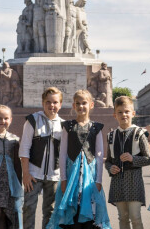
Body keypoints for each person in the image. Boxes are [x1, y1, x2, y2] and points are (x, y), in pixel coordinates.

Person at [46, 89, 111, 229]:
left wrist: (98, 181)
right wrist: (63, 179)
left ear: (91, 105)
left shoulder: (96, 127)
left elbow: (99, 156)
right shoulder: (68, 126)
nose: (81, 106)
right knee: (72, 212)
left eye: (84, 103)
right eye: (78, 103)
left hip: (90, 176)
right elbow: (62, 153)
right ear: (73, 106)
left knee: (89, 214)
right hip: (71, 176)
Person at [20, 87, 64, 229]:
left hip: (54, 176)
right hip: (33, 174)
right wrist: (26, 174)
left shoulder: (64, 125)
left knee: (50, 211)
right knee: (28, 209)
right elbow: (24, 148)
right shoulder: (32, 120)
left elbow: (64, 154)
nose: (52, 105)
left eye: (55, 102)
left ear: (60, 104)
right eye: (48, 102)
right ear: (43, 103)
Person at [105, 96, 150, 229]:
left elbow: (148, 159)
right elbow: (108, 161)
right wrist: (110, 168)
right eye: (120, 112)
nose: (123, 115)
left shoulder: (139, 133)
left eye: (126, 111)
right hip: (117, 182)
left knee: (135, 217)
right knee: (123, 218)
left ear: (133, 113)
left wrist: (133, 159)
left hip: (134, 182)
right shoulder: (111, 136)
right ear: (115, 115)